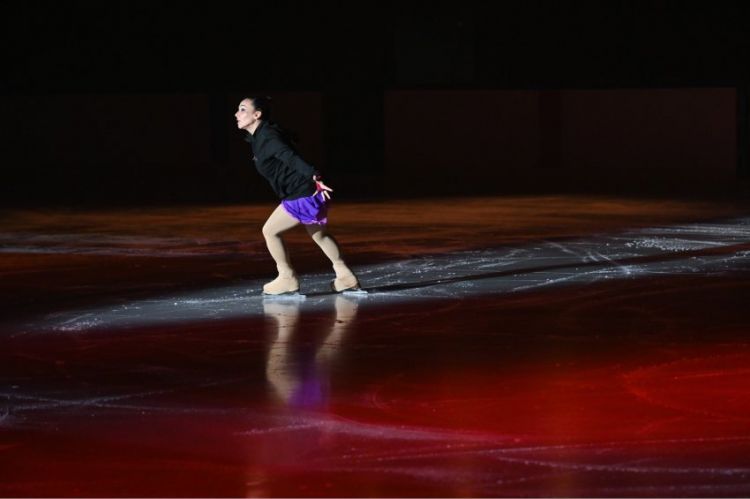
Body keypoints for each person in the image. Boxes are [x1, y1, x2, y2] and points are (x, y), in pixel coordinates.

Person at [235, 95, 361, 295]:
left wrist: (314, 174)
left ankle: (287, 277)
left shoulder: (267, 137)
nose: (236, 114)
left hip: (302, 194)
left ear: (256, 114)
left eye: (242, 109)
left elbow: (291, 157)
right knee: (319, 234)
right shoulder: (260, 136)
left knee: (270, 231)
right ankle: (345, 275)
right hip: (305, 191)